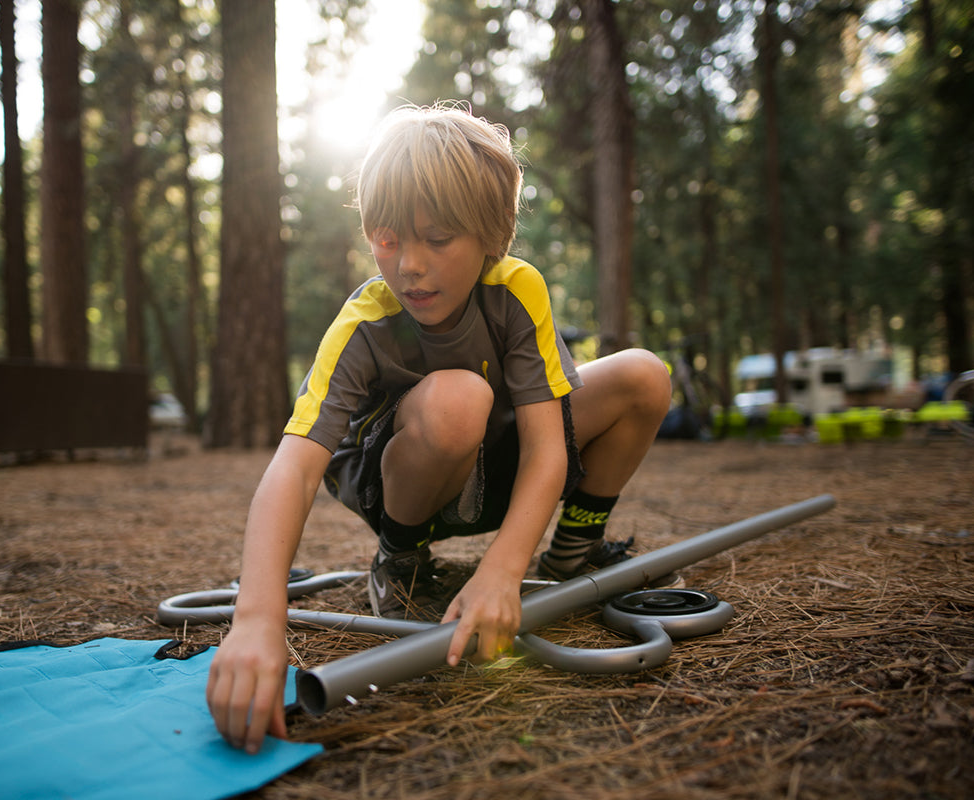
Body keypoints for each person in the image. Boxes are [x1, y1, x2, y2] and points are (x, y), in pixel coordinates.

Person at [205, 103, 672, 753]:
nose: (410, 265)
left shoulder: (516, 292)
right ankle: (401, 562)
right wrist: (255, 618)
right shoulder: (365, 322)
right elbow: (294, 465)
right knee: (458, 399)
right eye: (387, 237)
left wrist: (505, 570)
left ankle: (572, 551)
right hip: (401, 478)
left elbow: (545, 445)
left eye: (438, 238)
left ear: (491, 234)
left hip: (495, 463)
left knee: (644, 375)